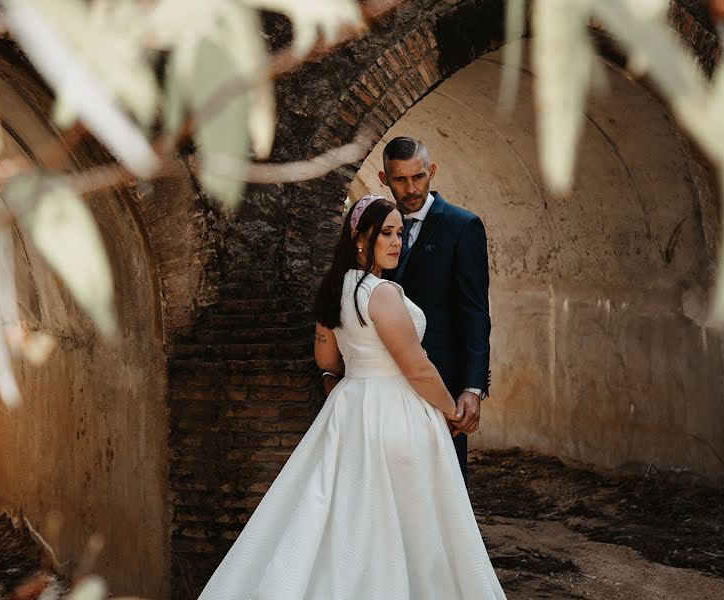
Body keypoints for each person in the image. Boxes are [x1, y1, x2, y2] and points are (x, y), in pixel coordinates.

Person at [196, 195, 505, 600]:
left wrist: (347, 387)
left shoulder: (335, 289)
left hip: (351, 407)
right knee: (413, 519)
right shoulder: (382, 293)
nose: (396, 242)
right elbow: (416, 367)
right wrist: (453, 413)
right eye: (386, 234)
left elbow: (326, 359)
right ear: (360, 238)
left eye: (399, 233)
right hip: (395, 411)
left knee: (349, 514)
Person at [379, 136, 491, 482]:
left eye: (419, 177)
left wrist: (472, 388)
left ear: (432, 171)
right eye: (400, 179)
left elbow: (475, 312)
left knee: (443, 485)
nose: (411, 188)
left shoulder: (463, 226)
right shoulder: (375, 230)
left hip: (443, 383)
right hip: (386, 383)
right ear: (384, 179)